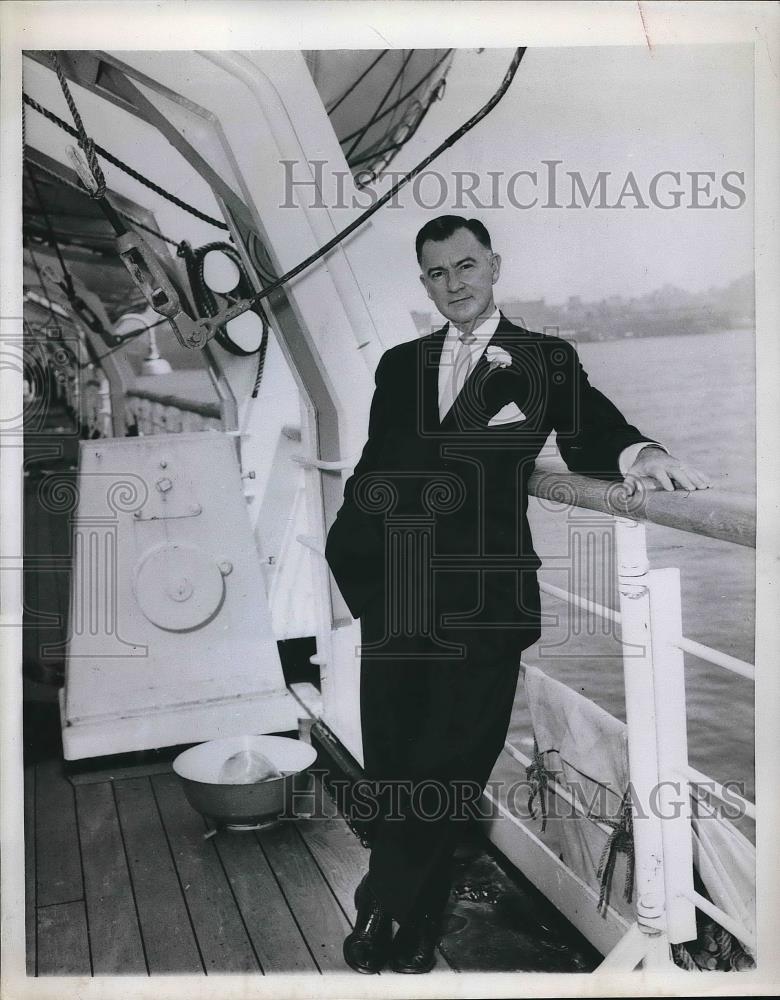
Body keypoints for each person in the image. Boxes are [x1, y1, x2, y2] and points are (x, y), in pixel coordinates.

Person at [325, 215, 710, 974]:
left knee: (452, 761)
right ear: (424, 282)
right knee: (400, 759)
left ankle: (388, 905)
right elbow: (375, 468)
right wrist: (354, 551)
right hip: (397, 588)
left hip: (485, 595)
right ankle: (410, 909)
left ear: (494, 265)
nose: (454, 284)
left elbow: (591, 432)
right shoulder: (400, 366)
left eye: (466, 265)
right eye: (436, 273)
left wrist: (646, 453)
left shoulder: (542, 358)